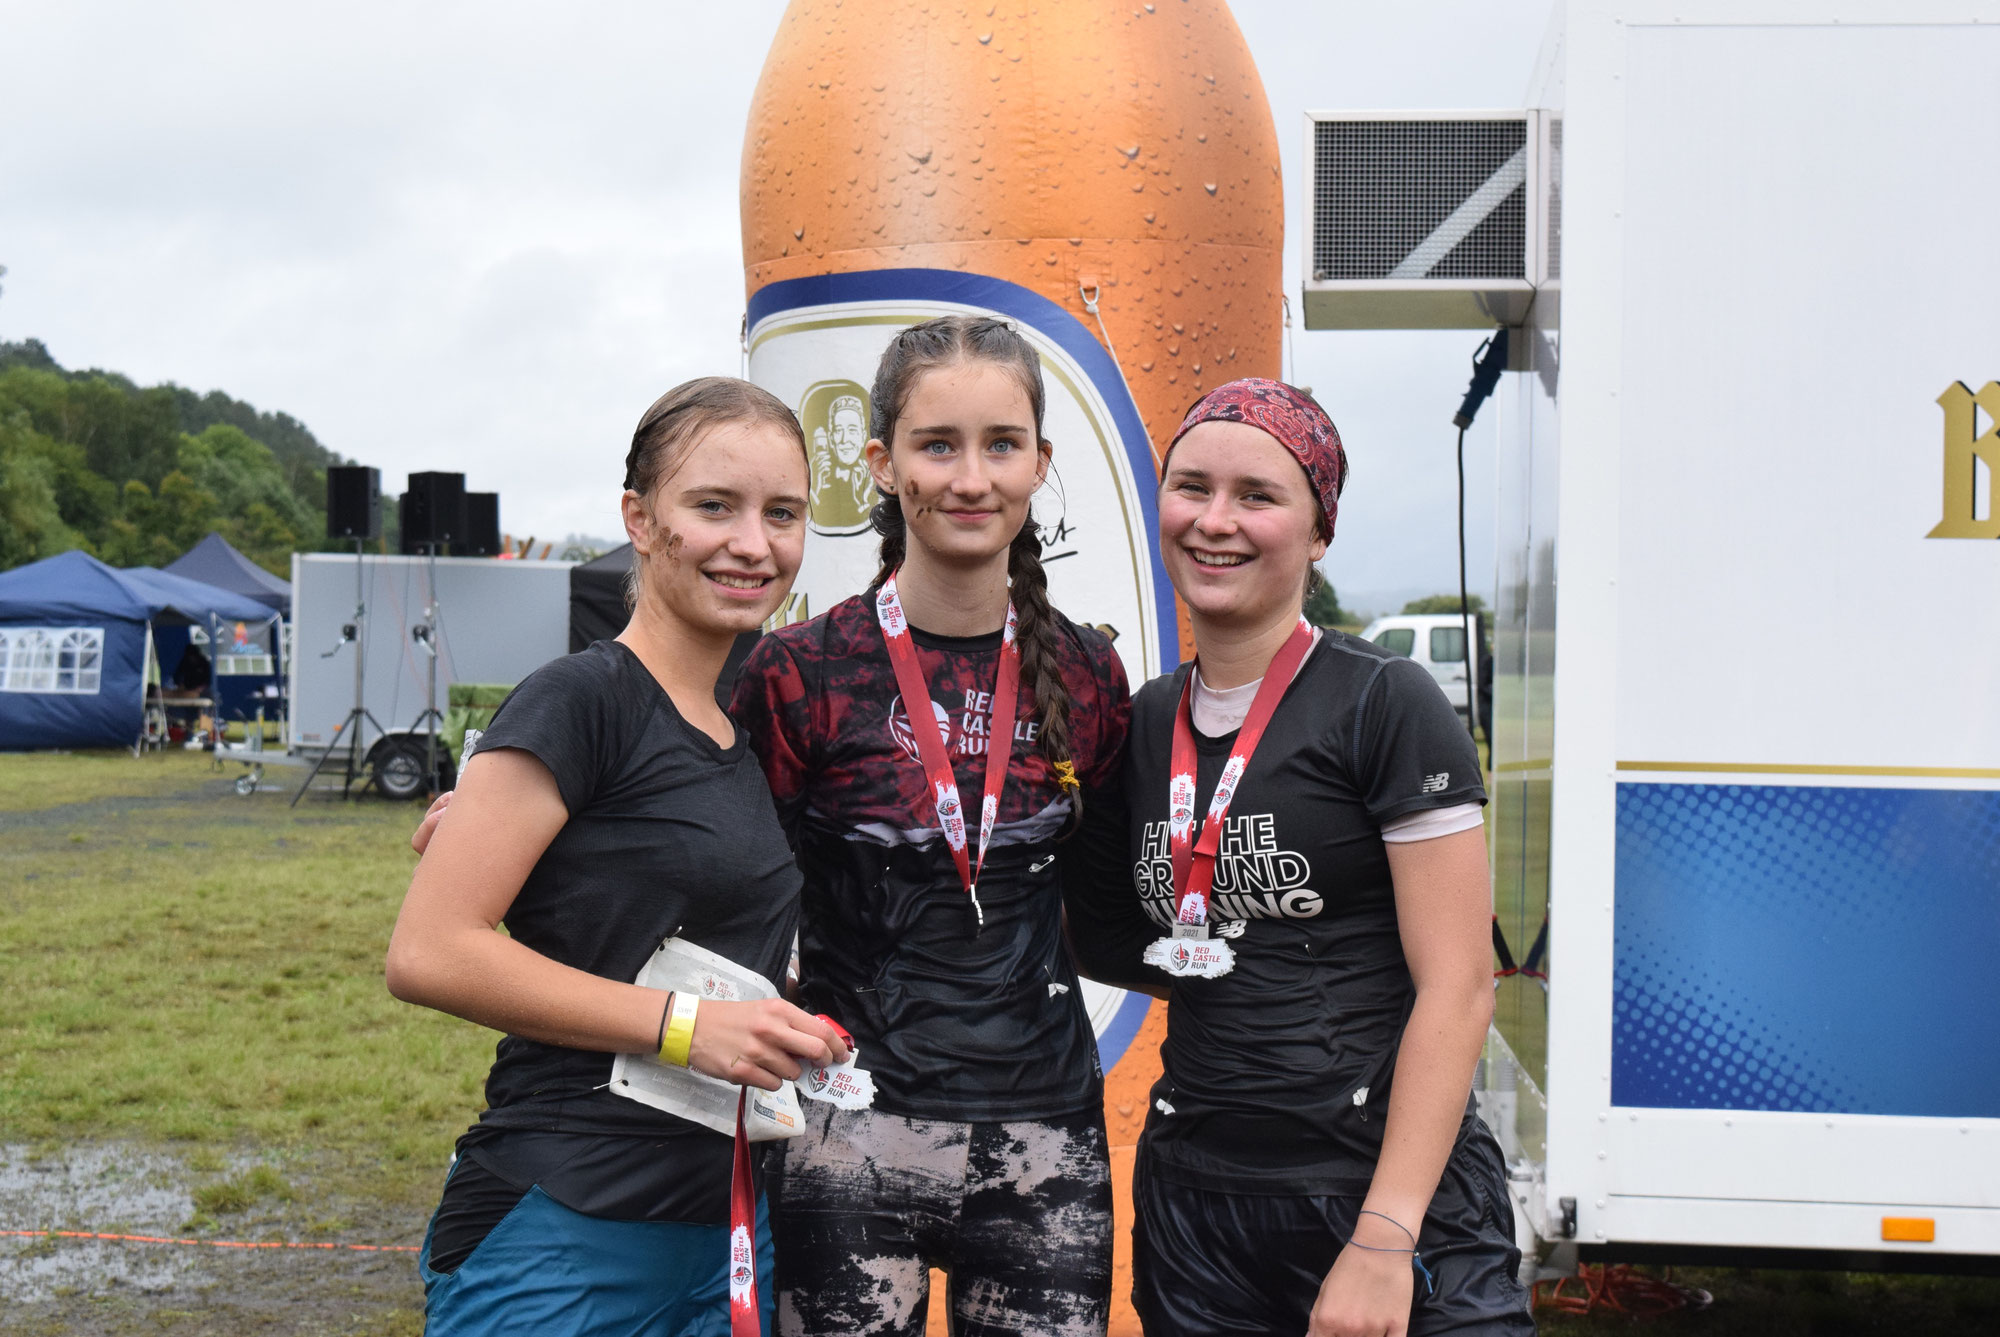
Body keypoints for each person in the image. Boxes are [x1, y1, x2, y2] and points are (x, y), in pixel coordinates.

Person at [1068, 379, 1535, 1337]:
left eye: (1259, 496)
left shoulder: (1385, 702)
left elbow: (1460, 988)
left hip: (1383, 1189)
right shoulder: (1144, 718)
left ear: (1318, 532)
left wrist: (1382, 1238)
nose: (1216, 521)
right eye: (1191, 487)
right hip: (1203, 1199)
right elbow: (1121, 934)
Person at [386, 377, 852, 1337]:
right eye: (713, 506)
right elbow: (430, 951)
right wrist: (685, 1027)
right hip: (565, 1228)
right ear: (641, 519)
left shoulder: (743, 725)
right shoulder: (581, 698)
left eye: (783, 513)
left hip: (723, 1224)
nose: (752, 543)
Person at [728, 315, 1131, 1337]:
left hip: (1045, 1139)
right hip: (847, 1130)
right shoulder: (800, 670)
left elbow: (1122, 875)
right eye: (935, 443)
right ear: (880, 460)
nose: (969, 477)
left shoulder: (1087, 673)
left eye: (1001, 444)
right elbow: (711, 857)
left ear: (1041, 461)